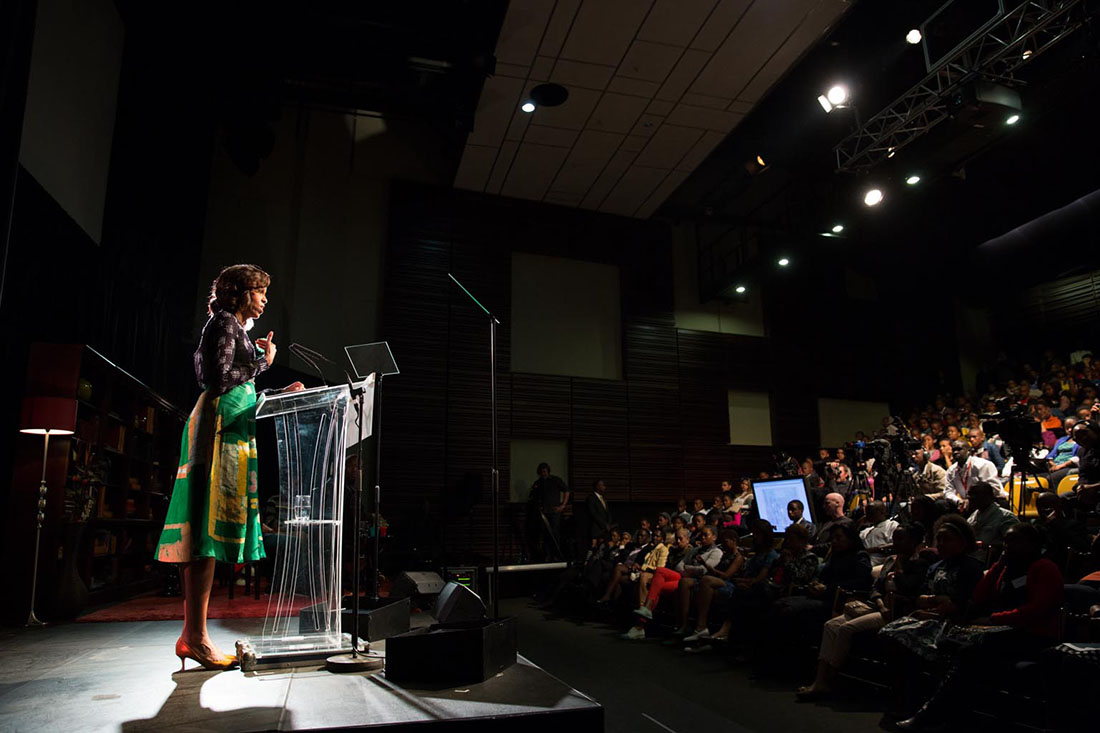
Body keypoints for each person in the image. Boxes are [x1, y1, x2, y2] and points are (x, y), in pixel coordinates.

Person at [156, 264, 304, 671]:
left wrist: (274, 390)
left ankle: (194, 636)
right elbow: (219, 379)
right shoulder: (222, 322)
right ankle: (195, 637)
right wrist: (264, 362)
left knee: (212, 528)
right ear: (240, 293)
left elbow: (238, 386)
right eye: (260, 291)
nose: (265, 299)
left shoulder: (229, 327)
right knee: (203, 527)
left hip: (232, 428)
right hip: (217, 430)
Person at [896, 524, 1063, 731]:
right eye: (1006, 542)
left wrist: (994, 619)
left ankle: (931, 714)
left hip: (1033, 634)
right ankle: (947, 713)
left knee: (969, 651)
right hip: (1006, 629)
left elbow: (1035, 610)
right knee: (948, 643)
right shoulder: (1009, 567)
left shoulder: (1044, 568)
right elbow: (979, 596)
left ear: (1031, 544)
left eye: (1013, 542)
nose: (1007, 546)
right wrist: (998, 567)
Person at [797, 523, 930, 700]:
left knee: (846, 628)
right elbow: (875, 587)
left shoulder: (919, 564)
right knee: (831, 625)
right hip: (880, 607)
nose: (895, 542)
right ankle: (819, 680)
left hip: (898, 612)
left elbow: (908, 587)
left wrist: (898, 570)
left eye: (900, 539)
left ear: (913, 541)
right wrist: (880, 603)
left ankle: (829, 679)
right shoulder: (890, 560)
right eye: (894, 538)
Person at [966, 481, 1019, 563]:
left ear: (989, 496)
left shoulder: (1005, 517)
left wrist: (985, 546)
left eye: (976, 494)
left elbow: (1016, 546)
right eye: (969, 494)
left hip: (990, 563)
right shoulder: (972, 517)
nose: (970, 497)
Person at [943, 440, 1006, 509]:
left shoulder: (983, 465)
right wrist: (958, 501)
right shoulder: (951, 470)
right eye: (954, 450)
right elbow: (948, 491)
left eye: (959, 449)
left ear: (969, 451)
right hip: (964, 502)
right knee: (941, 504)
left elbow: (994, 490)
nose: (955, 452)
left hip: (990, 501)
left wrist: (971, 501)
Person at [530, 463, 570, 560]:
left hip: (554, 511)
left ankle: (556, 554)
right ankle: (547, 555)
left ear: (548, 471)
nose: (543, 474)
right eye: (542, 472)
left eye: (545, 471)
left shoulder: (555, 480)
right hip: (543, 513)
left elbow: (566, 491)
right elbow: (533, 496)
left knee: (555, 533)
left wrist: (563, 505)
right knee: (544, 534)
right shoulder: (538, 483)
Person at [859, 501, 898, 567]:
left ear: (882, 512)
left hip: (880, 563)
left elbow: (897, 545)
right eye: (867, 512)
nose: (868, 515)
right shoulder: (865, 531)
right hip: (862, 560)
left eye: (872, 512)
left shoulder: (891, 525)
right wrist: (858, 524)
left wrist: (875, 549)